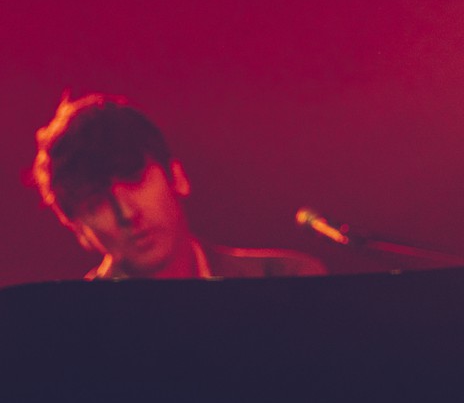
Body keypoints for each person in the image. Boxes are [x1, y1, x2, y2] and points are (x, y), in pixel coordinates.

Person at [32, 93, 326, 280]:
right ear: (80, 232)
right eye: (97, 203)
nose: (128, 214)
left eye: (135, 180)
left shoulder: (287, 279)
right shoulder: (70, 328)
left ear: (178, 177)